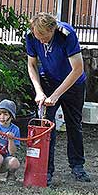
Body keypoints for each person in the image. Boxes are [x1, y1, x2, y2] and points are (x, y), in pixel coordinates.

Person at [25, 12, 90, 186]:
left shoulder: (66, 34)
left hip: (73, 83)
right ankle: (45, 170)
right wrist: (39, 91)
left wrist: (56, 95)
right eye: (38, 38)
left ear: (52, 29)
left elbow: (77, 69)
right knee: (46, 124)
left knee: (74, 123)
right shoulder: (31, 36)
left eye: (44, 37)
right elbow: (31, 64)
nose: (41, 41)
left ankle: (77, 166)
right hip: (49, 80)